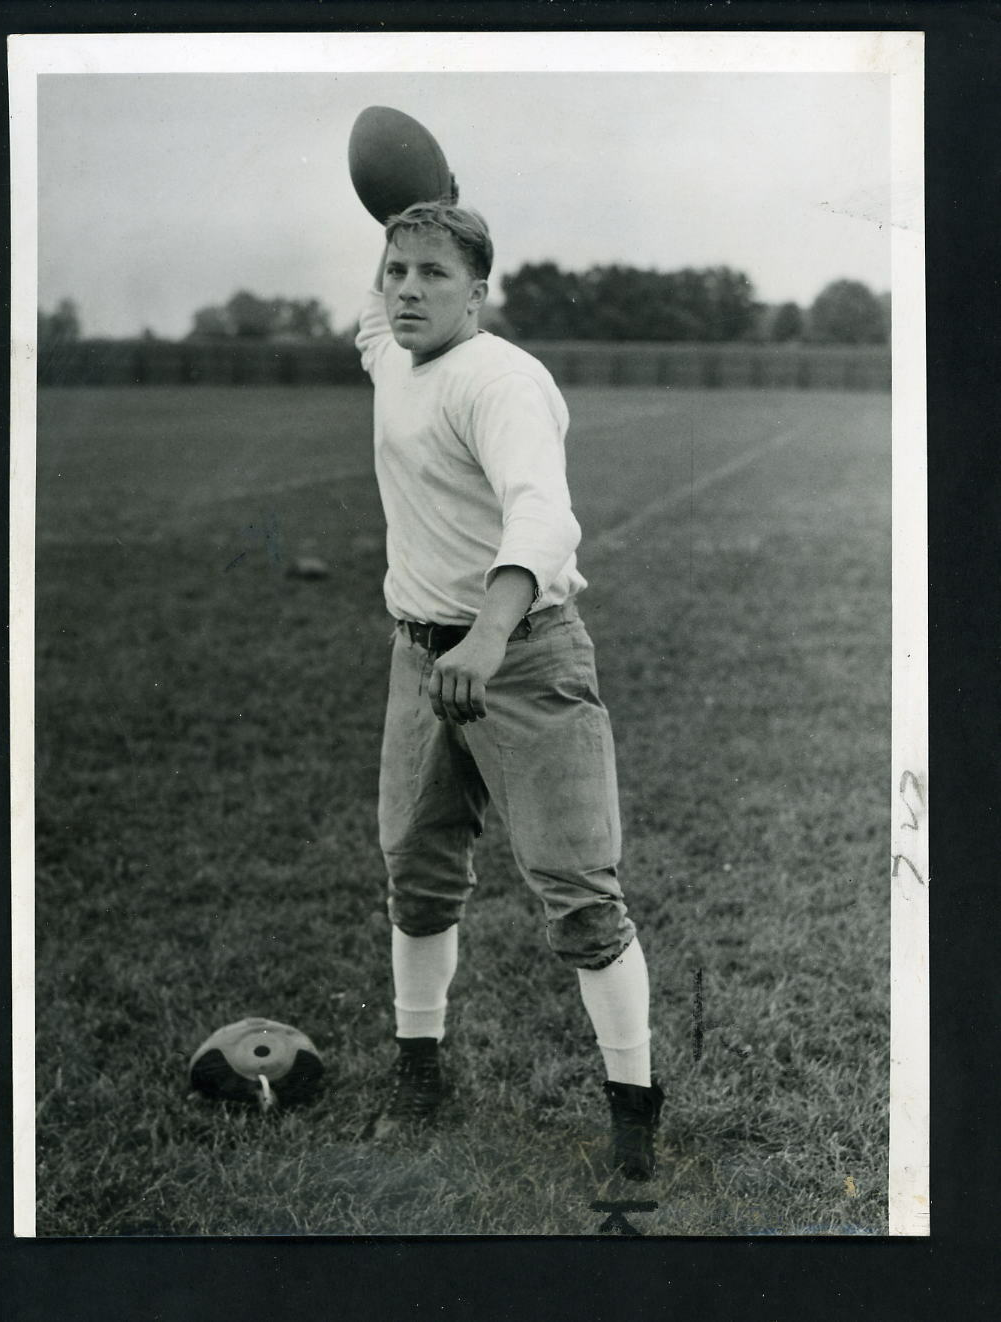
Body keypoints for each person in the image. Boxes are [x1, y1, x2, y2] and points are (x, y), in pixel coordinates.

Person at [354, 199, 664, 1180]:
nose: (406, 288)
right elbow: (383, 305)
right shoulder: (390, 350)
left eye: (431, 275)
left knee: (579, 893)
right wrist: (429, 191)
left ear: (479, 292)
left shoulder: (503, 381)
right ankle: (420, 1072)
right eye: (393, 269)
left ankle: (632, 1106)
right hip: (421, 654)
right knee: (416, 868)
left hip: (521, 652)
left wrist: (489, 634)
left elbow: (544, 512)